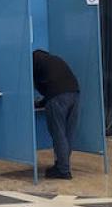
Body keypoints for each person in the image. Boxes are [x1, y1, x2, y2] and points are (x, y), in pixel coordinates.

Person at [33, 49, 79, 180]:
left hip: (58, 97)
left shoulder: (33, 64)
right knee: (68, 134)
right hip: (75, 93)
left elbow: (48, 89)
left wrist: (38, 103)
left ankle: (63, 170)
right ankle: (62, 165)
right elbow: (54, 83)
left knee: (58, 133)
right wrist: (43, 103)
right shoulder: (54, 59)